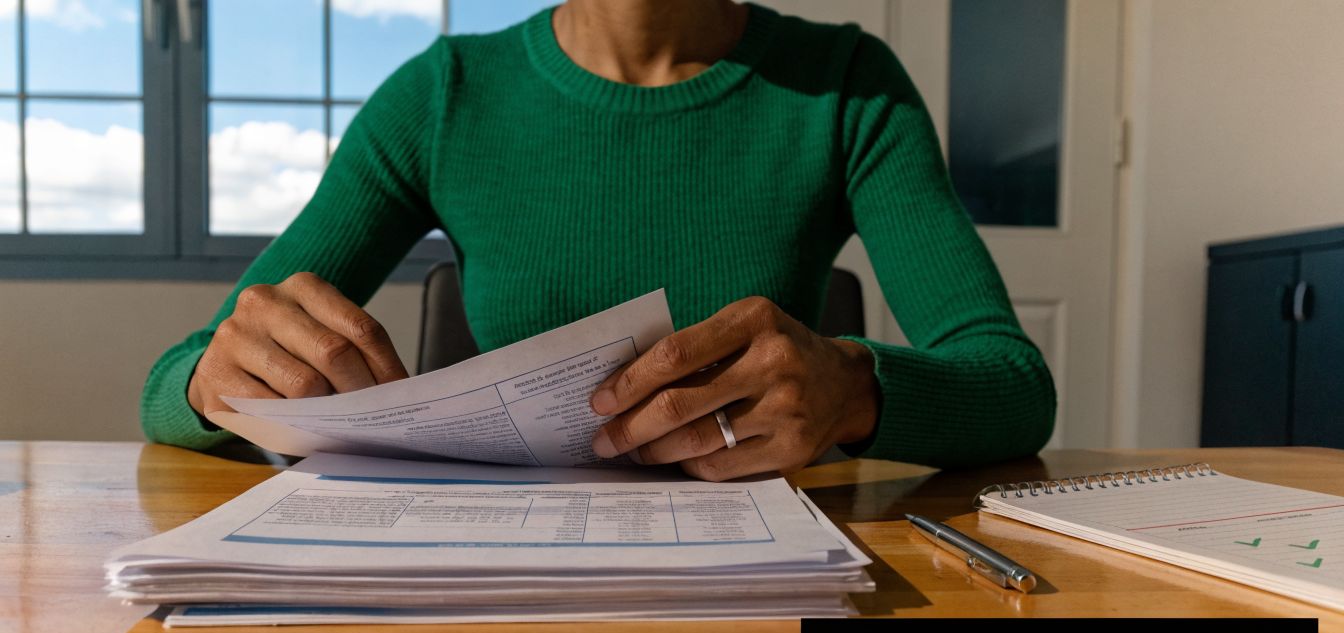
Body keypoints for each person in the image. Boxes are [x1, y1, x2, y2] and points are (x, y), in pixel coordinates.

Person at [141, 0, 1055, 479]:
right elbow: (172, 382)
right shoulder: (443, 95)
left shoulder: (848, 85)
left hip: (765, 584)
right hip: (506, 590)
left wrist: (851, 388)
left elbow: (1013, 386)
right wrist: (216, 376)